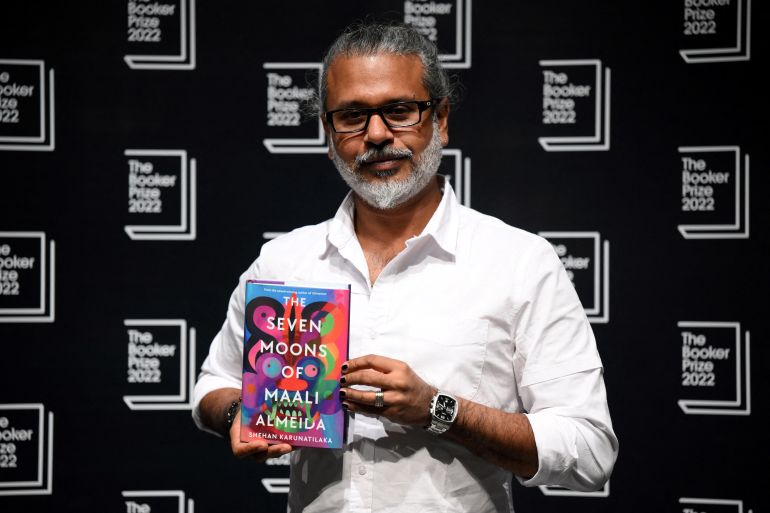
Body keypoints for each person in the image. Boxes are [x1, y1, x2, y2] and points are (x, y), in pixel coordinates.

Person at [193, 21, 618, 513]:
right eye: (352, 116)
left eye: (399, 111)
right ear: (329, 133)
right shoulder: (285, 260)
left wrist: (439, 409)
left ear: (440, 119)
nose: (376, 134)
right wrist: (238, 413)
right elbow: (213, 385)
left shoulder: (519, 261)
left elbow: (590, 451)